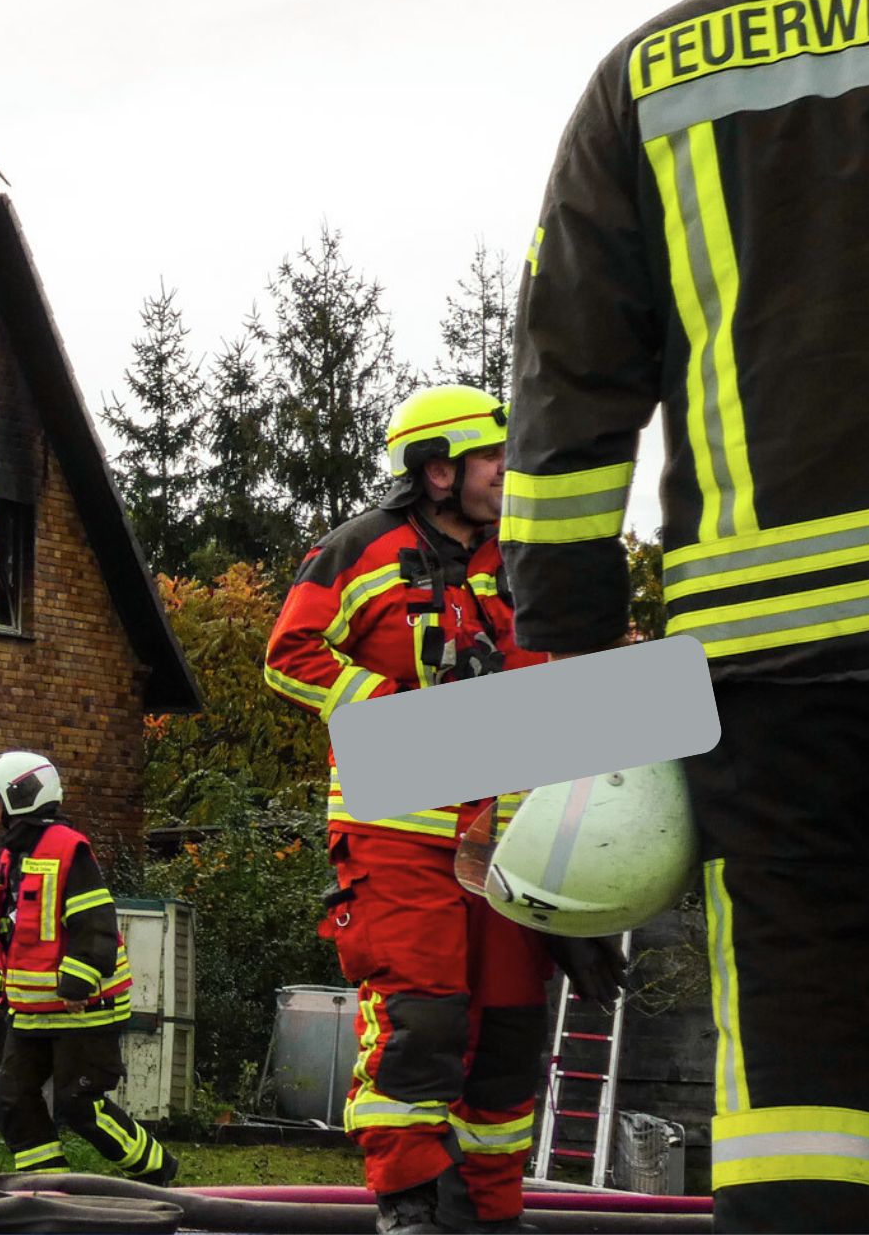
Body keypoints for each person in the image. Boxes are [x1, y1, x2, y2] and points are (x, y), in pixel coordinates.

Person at [503, 0, 869, 1226]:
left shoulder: (641, 78)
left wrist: (572, 647)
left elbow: (568, 388)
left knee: (791, 1019)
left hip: (769, 646)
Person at [265, 385, 619, 1234]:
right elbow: (288, 654)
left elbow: (571, 673)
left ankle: (493, 1215)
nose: (510, 470)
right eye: (493, 457)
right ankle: (410, 1207)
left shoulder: (526, 555)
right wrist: (393, 710)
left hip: (508, 838)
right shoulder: (360, 550)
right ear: (437, 471)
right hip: (395, 828)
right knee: (422, 1019)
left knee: (508, 1035)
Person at [0, 750, 178, 1188]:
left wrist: (78, 982)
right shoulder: (12, 858)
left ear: (19, 797)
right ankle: (48, 1187)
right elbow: (4, 931)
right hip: (30, 1011)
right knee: (11, 1095)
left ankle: (158, 1172)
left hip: (84, 1010)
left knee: (79, 1103)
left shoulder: (71, 851)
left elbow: (96, 927)